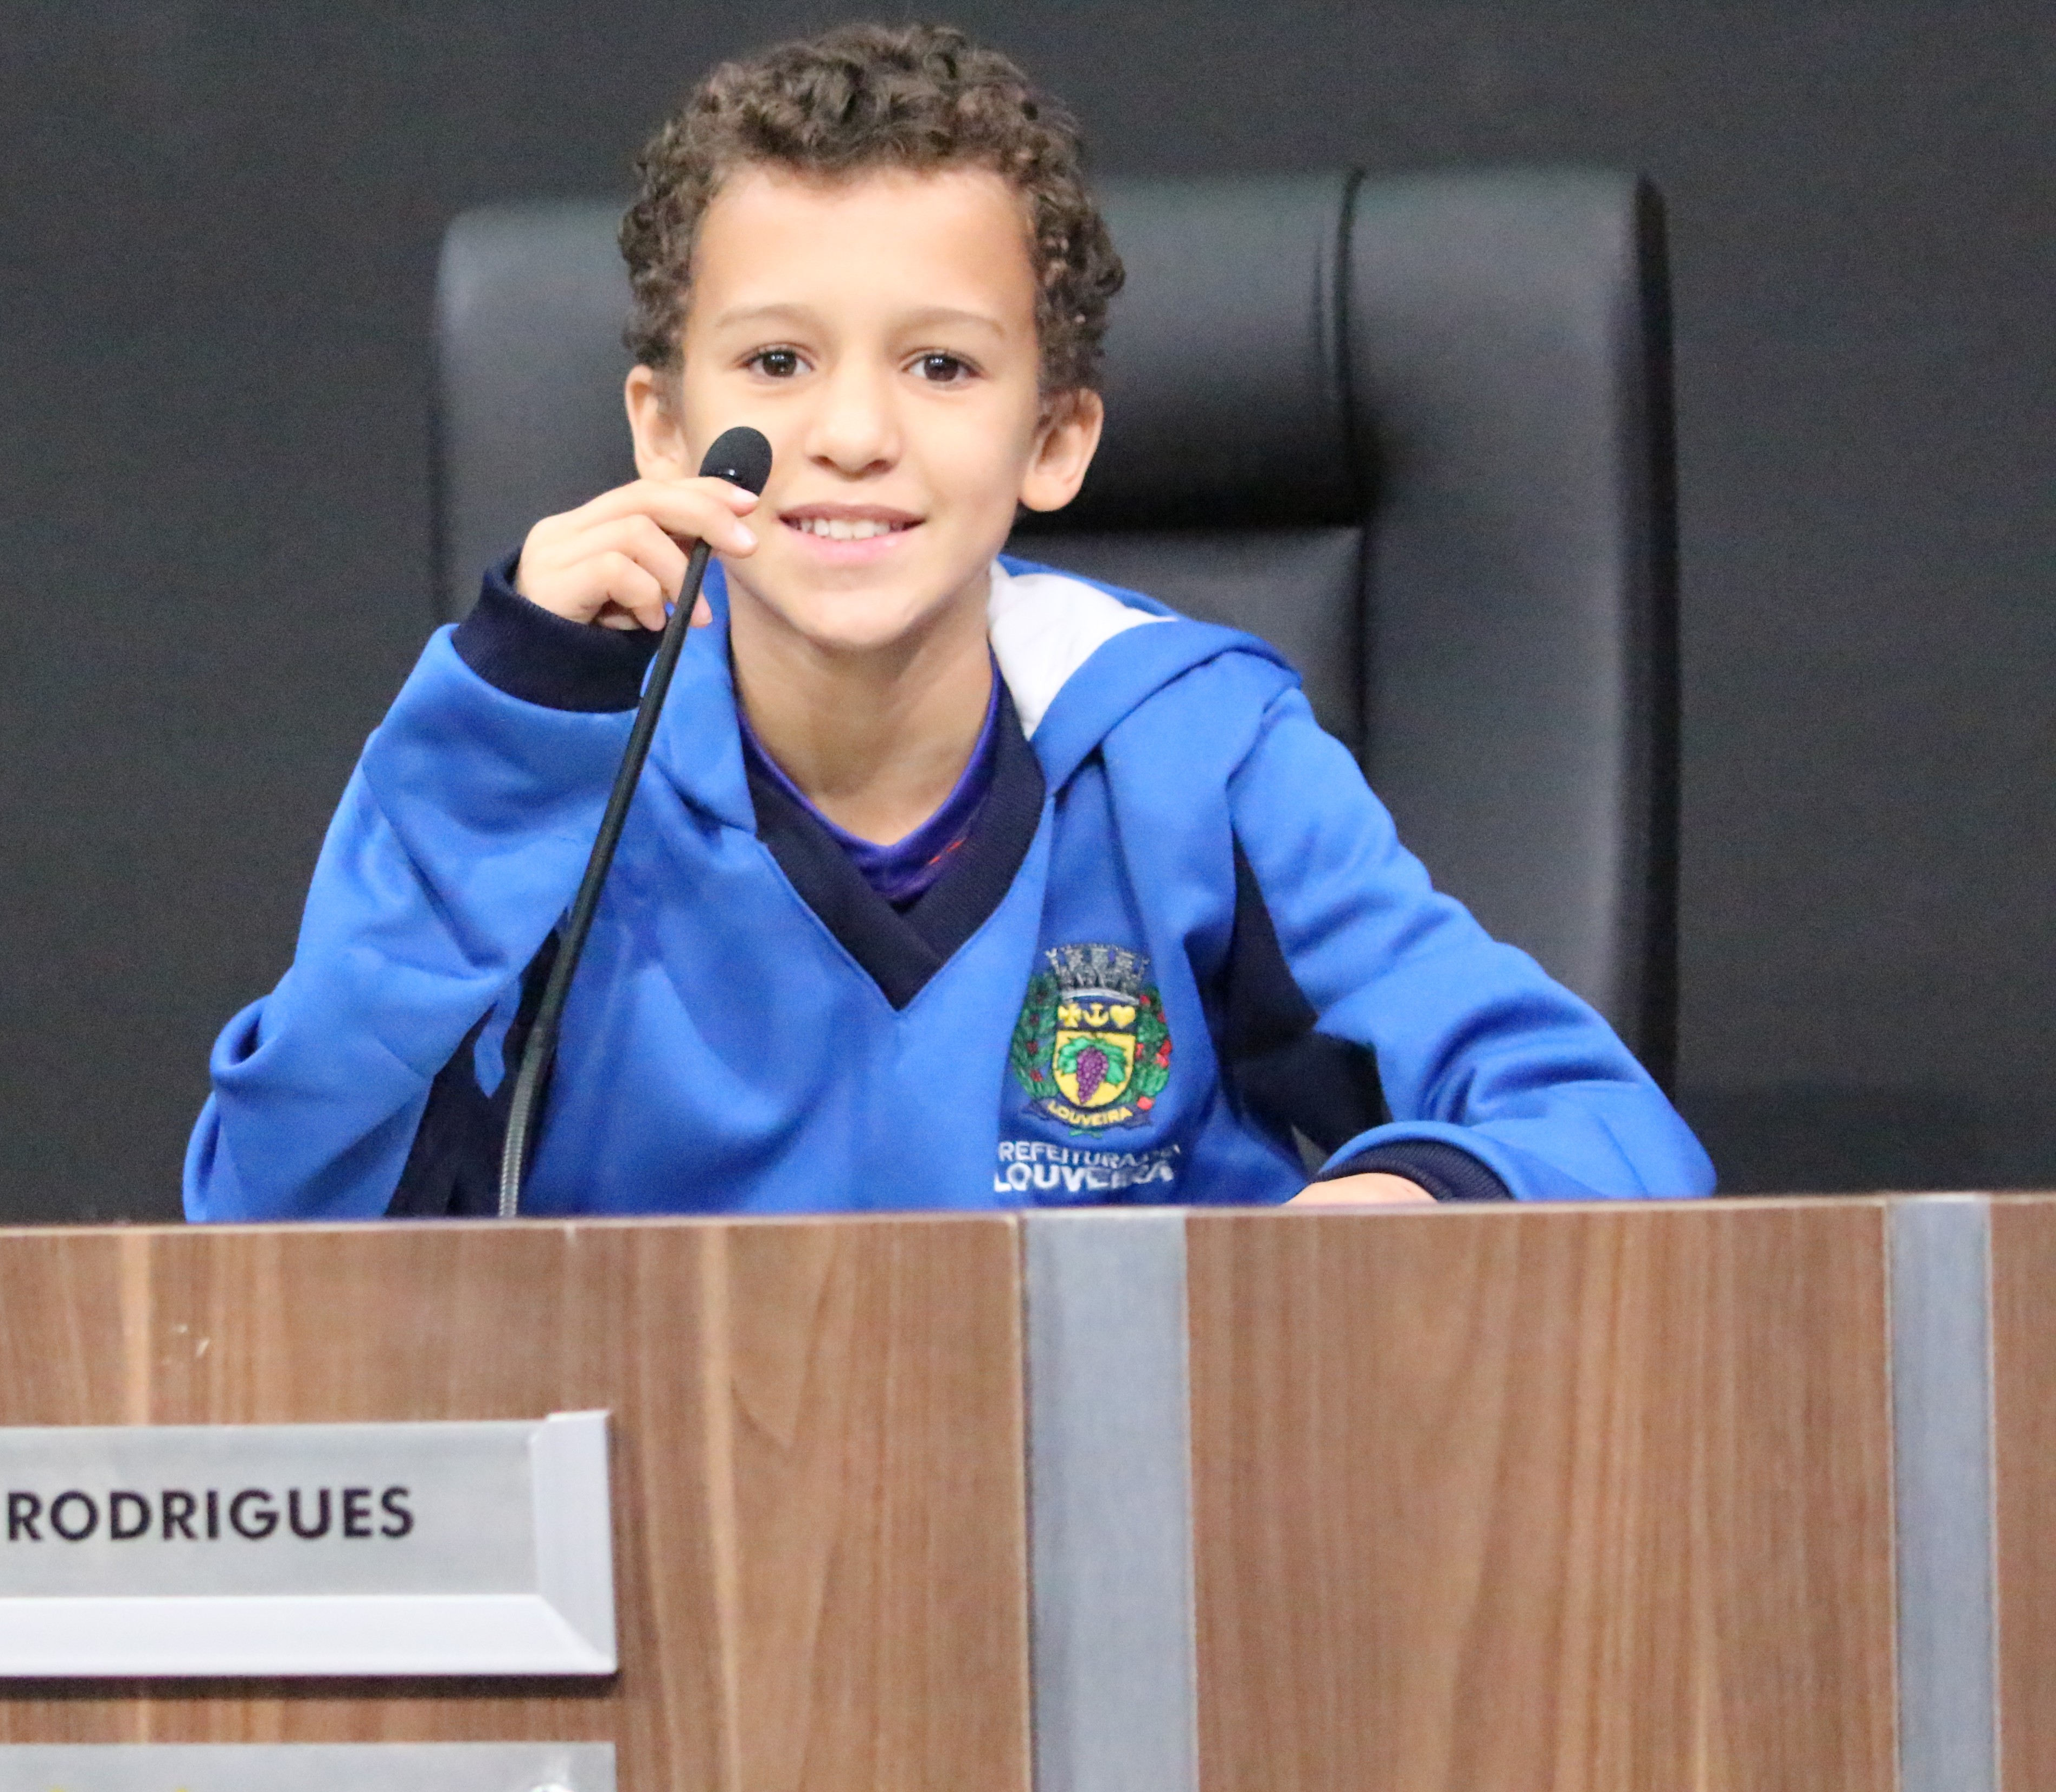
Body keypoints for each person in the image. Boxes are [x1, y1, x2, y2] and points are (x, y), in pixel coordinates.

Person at [186, 22, 1713, 1220]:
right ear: (660, 428)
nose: (854, 435)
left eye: (942, 367)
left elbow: (1602, 1129)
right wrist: (500, 753)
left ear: (1056, 438)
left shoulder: (1197, 750)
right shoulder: (523, 753)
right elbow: (271, 1225)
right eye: (777, 364)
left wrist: (1402, 1208)